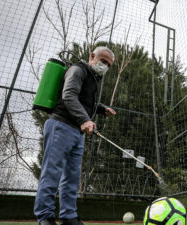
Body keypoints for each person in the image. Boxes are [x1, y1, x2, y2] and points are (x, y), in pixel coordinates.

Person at [34, 46, 116, 225]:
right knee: (52, 172)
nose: (105, 66)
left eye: (108, 65)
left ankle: (68, 216)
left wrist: (101, 109)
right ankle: (44, 216)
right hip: (61, 125)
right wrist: (85, 120)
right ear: (92, 56)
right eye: (102, 61)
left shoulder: (93, 78)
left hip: (77, 132)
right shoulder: (78, 70)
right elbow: (69, 95)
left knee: (72, 176)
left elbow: (84, 100)